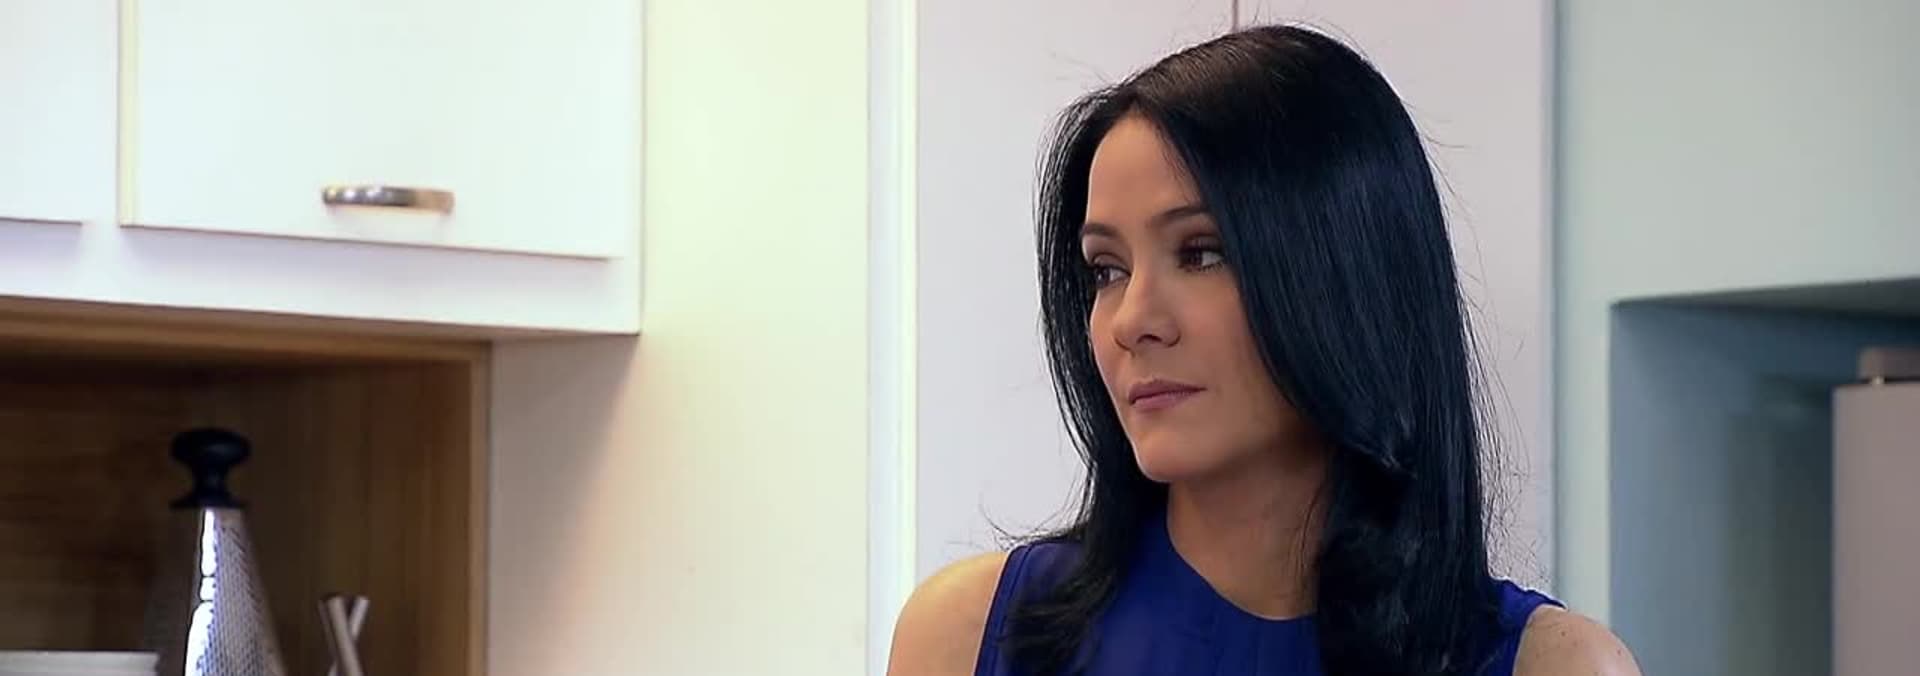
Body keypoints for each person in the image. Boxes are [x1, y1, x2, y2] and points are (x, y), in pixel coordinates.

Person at [887, 24, 1640, 676]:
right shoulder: (969, 637)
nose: (1131, 320)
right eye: (1107, 270)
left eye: (1200, 253)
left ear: (1349, 276)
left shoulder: (1553, 664)